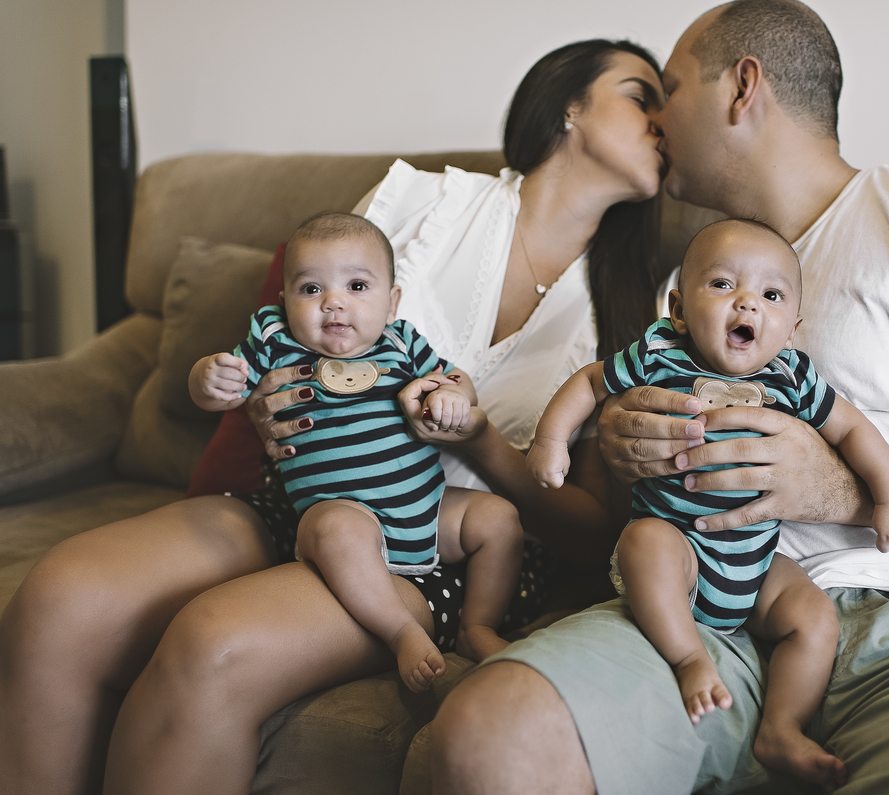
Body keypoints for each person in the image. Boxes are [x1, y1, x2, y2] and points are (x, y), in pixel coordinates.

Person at [429, 2, 889, 795]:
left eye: (668, 88)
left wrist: (837, 487)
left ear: (742, 90)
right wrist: (630, 455)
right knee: (483, 734)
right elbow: (615, 521)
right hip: (704, 616)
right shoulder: (684, 290)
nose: (657, 117)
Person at [0, 39, 666, 795]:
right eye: (640, 94)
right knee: (58, 598)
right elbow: (294, 333)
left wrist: (478, 438)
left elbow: (587, 528)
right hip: (298, 496)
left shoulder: (641, 310)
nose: (662, 118)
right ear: (569, 107)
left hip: (436, 545)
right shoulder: (423, 201)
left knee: (213, 647)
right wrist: (259, 397)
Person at [528, 218, 889, 785]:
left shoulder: (794, 377)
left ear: (792, 327)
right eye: (722, 285)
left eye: (771, 295)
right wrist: (550, 441)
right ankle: (690, 657)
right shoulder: (659, 354)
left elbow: (855, 431)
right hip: (677, 553)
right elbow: (590, 383)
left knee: (812, 618)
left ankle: (782, 727)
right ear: (680, 308)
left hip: (754, 568)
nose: (748, 304)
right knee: (645, 541)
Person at [191, 212, 523, 690]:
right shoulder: (274, 339)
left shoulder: (402, 342)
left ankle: (477, 627)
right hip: (344, 513)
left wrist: (453, 395)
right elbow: (222, 391)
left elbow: (458, 382)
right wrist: (207, 377)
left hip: (426, 511)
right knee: (335, 529)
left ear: (392, 303)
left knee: (499, 519)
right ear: (284, 300)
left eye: (357, 287)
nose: (333, 303)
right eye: (310, 290)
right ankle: (401, 629)